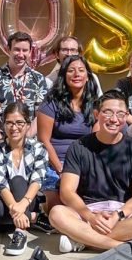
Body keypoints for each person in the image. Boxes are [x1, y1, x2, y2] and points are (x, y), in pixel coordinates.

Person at [48, 92, 132, 253]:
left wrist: (117, 216)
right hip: (87, 211)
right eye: (107, 112)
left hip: (122, 213)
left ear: (126, 116)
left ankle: (83, 239)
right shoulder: (79, 147)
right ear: (96, 114)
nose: (114, 119)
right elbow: (67, 191)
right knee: (56, 213)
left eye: (120, 114)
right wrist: (90, 217)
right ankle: (121, 247)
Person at [0, 102, 49, 256]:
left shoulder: (39, 149)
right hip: (1, 208)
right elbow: (1, 185)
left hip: (27, 202)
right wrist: (17, 210)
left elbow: (37, 181)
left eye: (19, 123)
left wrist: (22, 205)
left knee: (19, 180)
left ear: (27, 125)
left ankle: (20, 232)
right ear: (3, 125)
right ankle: (32, 218)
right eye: (9, 123)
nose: (14, 127)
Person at [37, 55, 99, 210]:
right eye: (71, 71)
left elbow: (96, 141)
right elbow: (43, 140)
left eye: (81, 70)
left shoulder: (96, 105)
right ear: (64, 76)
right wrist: (61, 170)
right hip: (54, 164)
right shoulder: (51, 103)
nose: (76, 74)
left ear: (87, 76)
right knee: (58, 209)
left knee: (80, 208)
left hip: (82, 164)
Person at [0, 31, 49, 142]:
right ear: (8, 50)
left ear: (30, 51)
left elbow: (40, 114)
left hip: (29, 143)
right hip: (0, 141)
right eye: (17, 49)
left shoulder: (39, 79)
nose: (20, 55)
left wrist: (26, 139)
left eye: (25, 50)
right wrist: (0, 143)